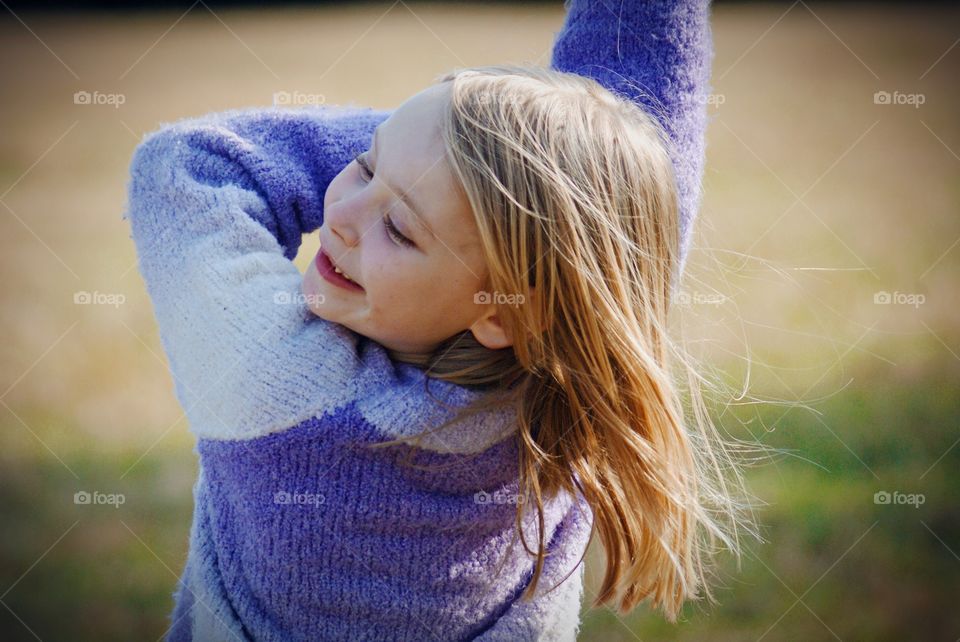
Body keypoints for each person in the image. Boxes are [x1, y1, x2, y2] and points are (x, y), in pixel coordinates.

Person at [124, 0, 749, 639]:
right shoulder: (572, 381)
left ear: (504, 312)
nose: (342, 215)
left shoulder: (278, 386)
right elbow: (628, 167)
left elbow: (185, 166)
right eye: (365, 165)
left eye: (398, 229)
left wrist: (426, 138)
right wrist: (469, 159)